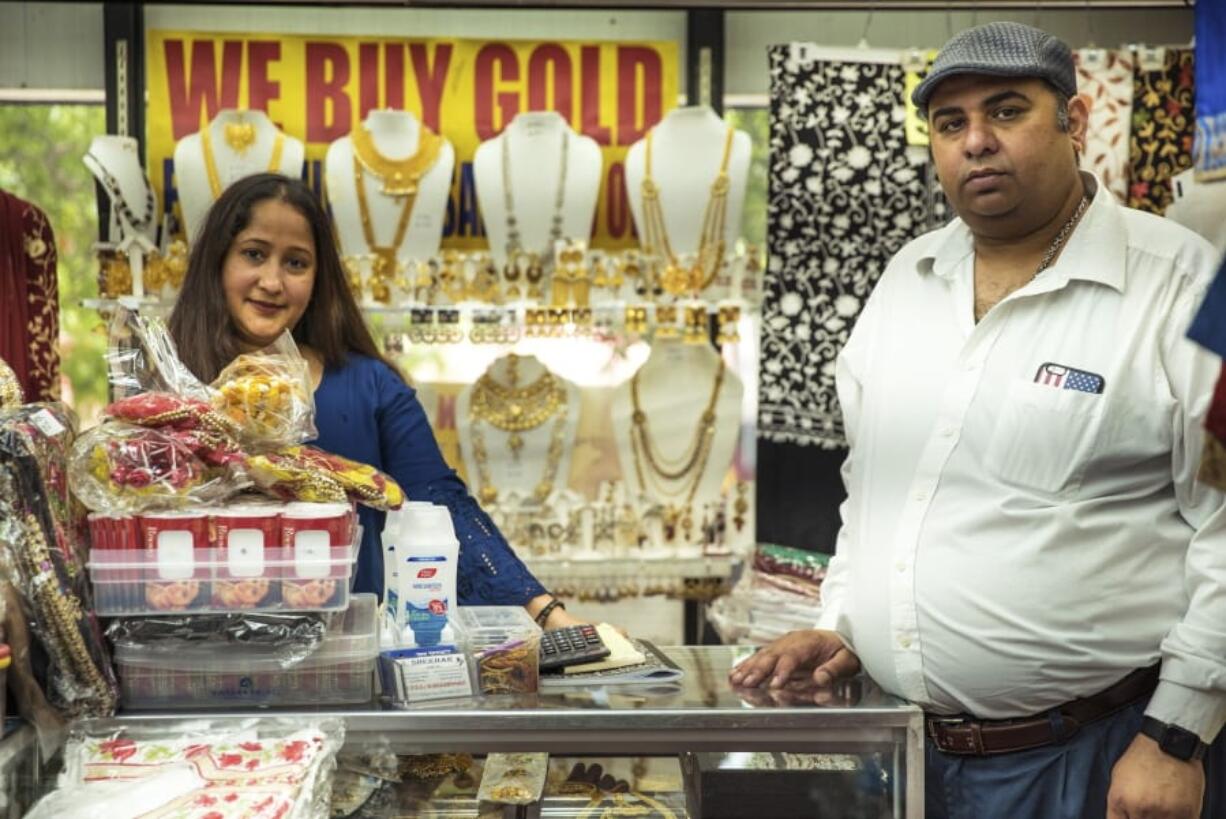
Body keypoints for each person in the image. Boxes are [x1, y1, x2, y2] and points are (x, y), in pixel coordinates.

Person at [729, 22, 1225, 819]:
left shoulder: (1181, 284)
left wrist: (1177, 736)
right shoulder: (908, 279)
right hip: (906, 754)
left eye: (1006, 112)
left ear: (1077, 119)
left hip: (1096, 755)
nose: (977, 142)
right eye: (951, 123)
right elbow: (875, 486)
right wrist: (847, 624)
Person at [168, 172, 583, 630]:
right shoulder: (169, 387)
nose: (272, 281)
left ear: (319, 278)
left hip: (349, 661)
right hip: (204, 656)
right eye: (254, 254)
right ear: (217, 261)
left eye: (296, 263)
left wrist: (546, 614)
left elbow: (440, 505)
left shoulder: (370, 385)